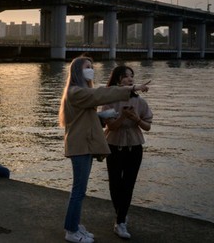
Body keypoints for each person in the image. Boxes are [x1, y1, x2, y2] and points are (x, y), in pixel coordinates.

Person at [58, 56, 150, 243]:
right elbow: (100, 94)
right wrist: (132, 88)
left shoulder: (80, 92)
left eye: (92, 66)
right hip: (80, 146)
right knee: (78, 191)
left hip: (84, 144)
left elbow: (85, 116)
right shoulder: (76, 91)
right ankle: (71, 230)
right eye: (87, 67)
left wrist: (101, 115)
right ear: (77, 71)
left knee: (80, 190)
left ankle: (75, 225)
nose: (91, 69)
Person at [101, 65, 153, 239]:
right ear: (117, 80)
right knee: (115, 184)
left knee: (129, 184)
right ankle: (120, 215)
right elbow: (110, 126)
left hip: (135, 147)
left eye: (132, 76)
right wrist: (123, 116)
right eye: (125, 77)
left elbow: (147, 126)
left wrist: (136, 118)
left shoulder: (140, 102)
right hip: (114, 146)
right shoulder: (109, 101)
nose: (130, 79)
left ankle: (120, 221)